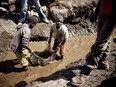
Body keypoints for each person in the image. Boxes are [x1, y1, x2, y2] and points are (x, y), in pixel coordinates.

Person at [71, 0, 116, 86]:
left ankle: (86, 72)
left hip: (113, 14)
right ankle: (103, 61)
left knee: (99, 43)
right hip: (103, 10)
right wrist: (96, 12)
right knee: (104, 38)